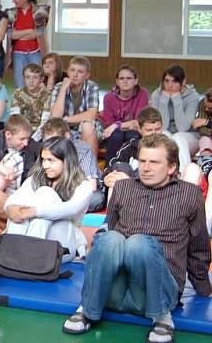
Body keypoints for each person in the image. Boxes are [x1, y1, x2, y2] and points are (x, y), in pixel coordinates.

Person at [62, 134, 211, 342]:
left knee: (139, 243)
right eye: (142, 161)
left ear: (171, 167)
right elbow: (107, 231)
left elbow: (198, 246)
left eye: (154, 162)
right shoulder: (123, 188)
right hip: (115, 291)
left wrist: (203, 288)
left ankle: (162, 318)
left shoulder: (189, 194)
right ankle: (88, 309)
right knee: (108, 238)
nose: (146, 168)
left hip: (158, 290)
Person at [5, 136, 93, 262]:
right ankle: (11, 254)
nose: (45, 165)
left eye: (51, 160)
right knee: (19, 207)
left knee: (45, 194)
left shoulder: (84, 186)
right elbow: (13, 199)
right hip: (32, 240)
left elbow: (70, 209)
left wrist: (34, 211)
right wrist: (11, 208)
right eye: (43, 160)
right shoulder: (36, 179)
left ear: (66, 161)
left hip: (63, 244)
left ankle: (27, 257)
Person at [41, 118, 104, 212]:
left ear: (66, 136)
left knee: (96, 199)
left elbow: (91, 186)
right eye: (47, 142)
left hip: (77, 191)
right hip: (56, 191)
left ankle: (60, 209)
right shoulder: (45, 151)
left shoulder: (82, 150)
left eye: (54, 141)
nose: (50, 146)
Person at [150, 65, 201, 173]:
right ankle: (161, 176)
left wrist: (176, 99)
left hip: (189, 136)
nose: (170, 85)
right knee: (163, 135)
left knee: (178, 137)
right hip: (167, 133)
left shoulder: (192, 96)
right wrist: (163, 100)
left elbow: (183, 127)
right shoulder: (156, 95)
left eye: (174, 81)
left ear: (183, 82)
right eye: (167, 81)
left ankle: (185, 179)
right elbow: (161, 126)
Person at [50, 56, 101, 156]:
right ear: (68, 72)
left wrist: (65, 119)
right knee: (55, 130)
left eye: (80, 72)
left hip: (85, 127)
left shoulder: (92, 87)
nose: (75, 75)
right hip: (65, 127)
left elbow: (91, 114)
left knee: (87, 126)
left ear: (87, 75)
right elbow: (56, 116)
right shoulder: (59, 87)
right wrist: (64, 89)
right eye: (72, 70)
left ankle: (90, 168)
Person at [99, 65, 149, 161]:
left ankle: (132, 169)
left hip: (133, 131)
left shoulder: (143, 94)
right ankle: (109, 168)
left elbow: (139, 121)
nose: (125, 81)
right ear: (117, 81)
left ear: (136, 81)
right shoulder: (108, 97)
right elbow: (109, 124)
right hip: (115, 133)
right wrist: (120, 126)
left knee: (132, 135)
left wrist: (116, 125)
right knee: (117, 135)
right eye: (121, 78)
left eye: (129, 78)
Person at [0, 114, 41, 195]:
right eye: (22, 139)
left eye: (28, 138)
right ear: (8, 135)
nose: (26, 143)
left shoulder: (32, 145)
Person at [8, 0, 43, 88]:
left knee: (36, 83)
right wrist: (30, 31)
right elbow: (12, 35)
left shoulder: (39, 11)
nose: (13, 0)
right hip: (17, 53)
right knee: (19, 84)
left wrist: (19, 34)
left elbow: (39, 32)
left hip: (35, 52)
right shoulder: (11, 12)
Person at [10, 63, 51, 139]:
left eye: (35, 77)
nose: (31, 81)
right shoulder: (18, 93)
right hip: (21, 128)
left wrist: (34, 138)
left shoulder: (47, 95)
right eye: (27, 77)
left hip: (40, 130)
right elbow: (15, 116)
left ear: (41, 79)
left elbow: (45, 120)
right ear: (23, 78)